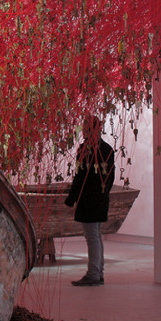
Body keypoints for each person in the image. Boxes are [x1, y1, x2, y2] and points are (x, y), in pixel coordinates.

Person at [64, 114, 115, 285]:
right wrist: (104, 193)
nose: (83, 130)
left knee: (92, 237)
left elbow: (80, 176)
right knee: (96, 236)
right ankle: (97, 272)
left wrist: (71, 199)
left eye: (85, 127)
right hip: (100, 199)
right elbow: (110, 178)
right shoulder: (107, 149)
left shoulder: (86, 149)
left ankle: (94, 274)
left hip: (89, 200)